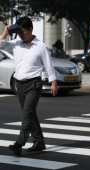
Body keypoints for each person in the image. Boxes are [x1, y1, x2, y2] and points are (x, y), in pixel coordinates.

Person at [0, 16, 58, 156]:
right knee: (30, 114)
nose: (20, 34)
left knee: (26, 116)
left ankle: (19, 144)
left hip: (34, 84)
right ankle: (39, 142)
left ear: (30, 29)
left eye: (23, 31)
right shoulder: (16, 43)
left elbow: (48, 65)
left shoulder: (40, 46)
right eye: (18, 31)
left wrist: (53, 82)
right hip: (19, 84)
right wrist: (5, 32)